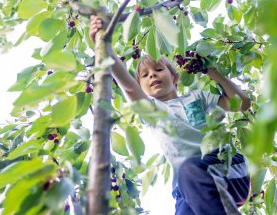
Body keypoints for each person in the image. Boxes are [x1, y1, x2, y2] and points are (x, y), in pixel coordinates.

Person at [90, 15, 251, 215]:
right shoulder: (151, 112)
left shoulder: (196, 96)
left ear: (174, 77)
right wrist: (103, 46)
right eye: (145, 75)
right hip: (187, 188)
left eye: (158, 69)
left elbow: (242, 104)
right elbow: (128, 86)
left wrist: (212, 71)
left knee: (188, 168)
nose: (153, 75)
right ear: (141, 87)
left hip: (226, 167)